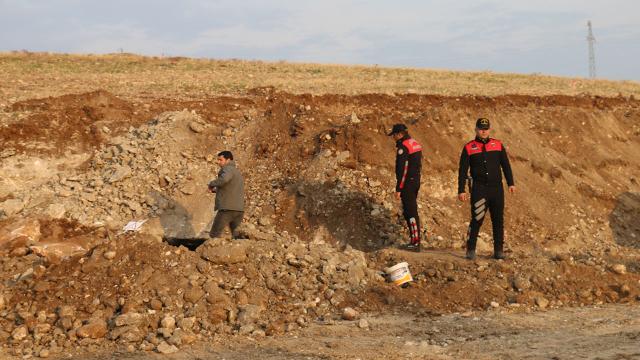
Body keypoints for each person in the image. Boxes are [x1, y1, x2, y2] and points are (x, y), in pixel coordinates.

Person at [457, 118, 515, 260]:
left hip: (497, 189)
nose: (484, 131)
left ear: (489, 129)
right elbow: (462, 171)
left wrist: (511, 183)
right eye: (481, 128)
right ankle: (470, 249)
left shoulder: (497, 145)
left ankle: (499, 251)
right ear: (476, 129)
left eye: (486, 128)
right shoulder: (469, 147)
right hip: (479, 189)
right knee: (477, 219)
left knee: (498, 220)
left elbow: (506, 166)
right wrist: (461, 190)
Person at [388, 123, 423, 252]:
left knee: (410, 212)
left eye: (394, 135)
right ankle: (415, 241)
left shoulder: (403, 147)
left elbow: (402, 169)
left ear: (399, 134)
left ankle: (415, 242)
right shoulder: (414, 143)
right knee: (410, 211)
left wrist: (399, 188)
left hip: (407, 183)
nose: (393, 138)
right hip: (415, 181)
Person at [208, 150, 245, 239]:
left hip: (227, 209)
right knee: (237, 237)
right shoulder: (237, 172)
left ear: (228, 160)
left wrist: (212, 184)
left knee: (214, 234)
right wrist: (216, 190)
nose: (218, 162)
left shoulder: (227, 169)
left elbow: (224, 179)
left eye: (220, 160)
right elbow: (230, 189)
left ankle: (212, 252)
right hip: (239, 209)